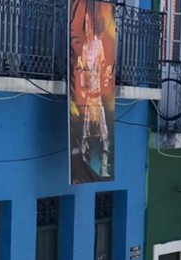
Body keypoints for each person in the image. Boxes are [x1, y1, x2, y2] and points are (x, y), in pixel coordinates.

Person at [75, 9, 112, 177]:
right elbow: (82, 72)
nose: (87, 28)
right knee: (83, 133)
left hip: (96, 97)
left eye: (89, 24)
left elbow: (103, 67)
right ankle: (84, 165)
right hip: (87, 98)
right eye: (86, 24)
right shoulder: (84, 46)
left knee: (103, 132)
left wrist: (105, 76)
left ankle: (104, 166)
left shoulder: (98, 44)